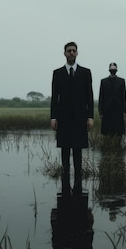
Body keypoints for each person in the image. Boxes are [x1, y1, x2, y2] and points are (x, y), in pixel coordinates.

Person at [50, 41, 94, 196]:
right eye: (69, 51)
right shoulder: (58, 73)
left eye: (74, 51)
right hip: (63, 117)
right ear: (64, 53)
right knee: (64, 150)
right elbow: (55, 97)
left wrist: (90, 117)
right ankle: (65, 181)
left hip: (80, 117)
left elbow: (90, 96)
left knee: (78, 151)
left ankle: (78, 186)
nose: (71, 53)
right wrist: (53, 117)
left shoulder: (85, 72)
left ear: (77, 53)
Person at [98, 62, 126, 139]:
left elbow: (124, 96)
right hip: (106, 109)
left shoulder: (121, 81)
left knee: (119, 132)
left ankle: (118, 148)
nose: (113, 70)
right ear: (109, 69)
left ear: (116, 69)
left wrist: (124, 110)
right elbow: (101, 97)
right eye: (111, 68)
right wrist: (100, 111)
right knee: (106, 132)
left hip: (118, 109)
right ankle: (107, 148)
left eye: (114, 69)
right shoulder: (103, 81)